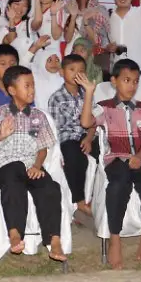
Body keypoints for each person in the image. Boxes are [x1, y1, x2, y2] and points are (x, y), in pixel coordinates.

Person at [76, 59, 141, 270]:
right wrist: (89, 92)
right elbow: (86, 123)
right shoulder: (104, 107)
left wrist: (140, 157)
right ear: (114, 81)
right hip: (116, 159)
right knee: (117, 187)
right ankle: (115, 238)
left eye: (135, 81)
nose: (131, 85)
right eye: (126, 80)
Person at [0, 66, 66, 261]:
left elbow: (43, 148)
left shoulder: (39, 116)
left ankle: (55, 239)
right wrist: (1, 135)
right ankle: (15, 233)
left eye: (33, 85)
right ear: (12, 90)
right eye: (27, 86)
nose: (32, 90)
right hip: (5, 165)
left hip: (30, 166)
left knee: (50, 187)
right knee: (13, 181)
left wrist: (37, 165)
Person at [48, 54, 96, 217]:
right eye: (72, 69)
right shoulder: (56, 98)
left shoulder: (87, 93)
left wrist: (89, 138)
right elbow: (58, 128)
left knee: (104, 154)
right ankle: (80, 200)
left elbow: (93, 121)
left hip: (87, 134)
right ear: (61, 72)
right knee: (75, 157)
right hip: (67, 137)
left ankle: (98, 198)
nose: (77, 73)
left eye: (81, 70)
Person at [32, 47, 63, 112]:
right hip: (41, 117)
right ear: (42, 61)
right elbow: (22, 64)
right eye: (49, 60)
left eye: (57, 60)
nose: (54, 63)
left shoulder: (62, 78)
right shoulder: (35, 77)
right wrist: (36, 46)